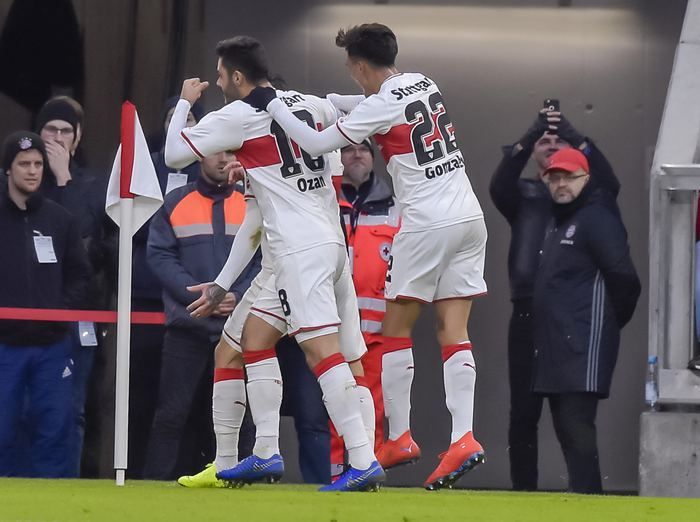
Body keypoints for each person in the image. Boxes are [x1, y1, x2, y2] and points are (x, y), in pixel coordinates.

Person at [243, 23, 486, 490]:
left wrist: (273, 103)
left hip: (426, 223)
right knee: (454, 331)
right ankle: (463, 437)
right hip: (469, 218)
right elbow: (365, 105)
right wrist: (321, 101)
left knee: (394, 331)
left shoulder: (379, 104)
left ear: (357, 65)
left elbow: (316, 143)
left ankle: (398, 437)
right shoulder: (423, 82)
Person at [165, 35, 384, 492]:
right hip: (328, 246)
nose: (218, 82)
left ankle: (363, 460)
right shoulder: (312, 105)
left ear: (237, 77)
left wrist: (185, 103)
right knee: (253, 339)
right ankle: (262, 453)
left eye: (221, 75)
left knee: (323, 353)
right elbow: (352, 116)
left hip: (299, 253)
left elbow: (173, 155)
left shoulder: (238, 117)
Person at [489, 105, 620, 490]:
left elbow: (609, 182)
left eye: (557, 141)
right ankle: (524, 494)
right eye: (543, 142)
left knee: (571, 415)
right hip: (526, 313)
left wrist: (574, 135)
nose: (550, 146)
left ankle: (585, 494)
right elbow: (499, 185)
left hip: (567, 314)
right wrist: (532, 135)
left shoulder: (588, 200)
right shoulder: (525, 194)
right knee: (523, 413)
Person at [142, 148, 260, 480]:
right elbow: (160, 257)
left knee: (240, 417)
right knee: (171, 415)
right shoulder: (175, 202)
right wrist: (202, 297)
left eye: (230, 152)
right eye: (215, 153)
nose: (223, 160)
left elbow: (265, 258)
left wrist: (238, 296)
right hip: (188, 327)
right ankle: (154, 486)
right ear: (199, 156)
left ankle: (243, 482)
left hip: (237, 327)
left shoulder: (253, 201)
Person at [534, 148, 640, 494]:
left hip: (583, 343)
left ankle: (589, 499)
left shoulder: (597, 218)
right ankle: (582, 496)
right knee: (566, 426)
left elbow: (625, 280)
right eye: (555, 178)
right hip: (557, 344)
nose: (561, 184)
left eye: (569, 177)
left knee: (577, 425)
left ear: (587, 179)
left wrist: (605, 323)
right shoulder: (560, 219)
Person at [0, 131, 90, 477]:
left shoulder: (61, 219)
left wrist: (60, 309)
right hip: (5, 345)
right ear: (8, 169)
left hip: (52, 345)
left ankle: (52, 498)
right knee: (3, 428)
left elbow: (80, 275)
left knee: (54, 428)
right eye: (24, 163)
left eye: (38, 164)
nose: (33, 170)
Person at [329, 139, 400, 480]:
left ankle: (367, 476)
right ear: (337, 158)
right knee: (333, 409)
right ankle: (334, 476)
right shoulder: (325, 201)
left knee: (372, 408)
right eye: (347, 149)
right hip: (329, 329)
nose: (356, 154)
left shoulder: (397, 207)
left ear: (373, 158)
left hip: (377, 333)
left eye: (363, 149)